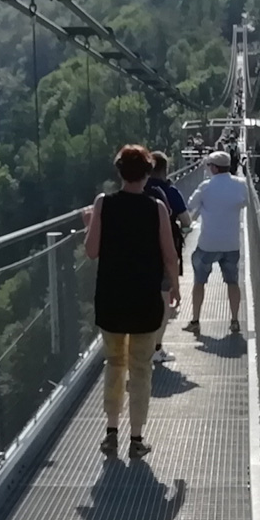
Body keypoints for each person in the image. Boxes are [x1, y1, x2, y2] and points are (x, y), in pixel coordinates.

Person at [84, 145, 180, 459]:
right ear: (148, 173)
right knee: (140, 369)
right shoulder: (157, 208)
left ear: (119, 172)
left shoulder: (103, 203)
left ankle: (111, 432)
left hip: (111, 300)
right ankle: (136, 439)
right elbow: (169, 255)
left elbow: (91, 251)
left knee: (114, 364)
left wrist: (89, 224)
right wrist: (175, 286)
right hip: (145, 302)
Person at [184, 149, 247, 337]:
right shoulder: (241, 184)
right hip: (231, 244)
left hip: (208, 243)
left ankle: (195, 321)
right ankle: (234, 320)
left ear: (214, 168)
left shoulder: (206, 187)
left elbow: (190, 205)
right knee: (232, 282)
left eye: (209, 165)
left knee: (199, 282)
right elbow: (245, 203)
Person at [144, 151, 190, 364]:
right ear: (165, 169)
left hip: (136, 256)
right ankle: (156, 348)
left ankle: (139, 347)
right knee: (162, 301)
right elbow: (186, 220)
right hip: (163, 253)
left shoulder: (136, 190)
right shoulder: (169, 191)